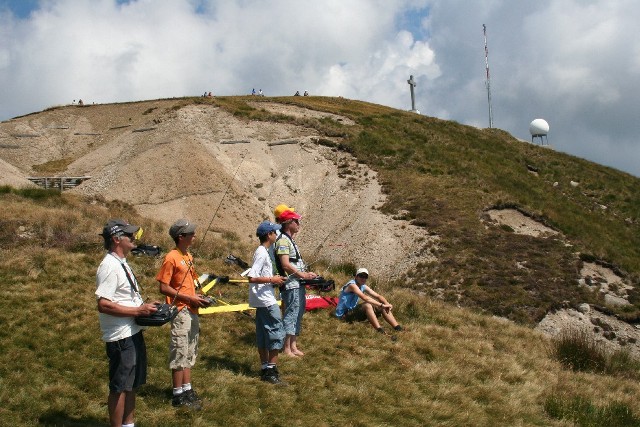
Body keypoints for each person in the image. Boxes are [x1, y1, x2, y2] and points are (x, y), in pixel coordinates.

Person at [96, 219, 159, 427]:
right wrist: (138, 311)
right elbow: (104, 304)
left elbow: (124, 297)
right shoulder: (109, 266)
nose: (134, 238)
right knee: (120, 387)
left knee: (132, 384)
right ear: (116, 239)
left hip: (132, 331)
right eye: (129, 235)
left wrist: (145, 307)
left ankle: (128, 424)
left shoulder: (121, 262)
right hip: (121, 337)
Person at [156, 219, 210, 409]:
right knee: (180, 350)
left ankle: (187, 389)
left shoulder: (188, 256)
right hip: (180, 310)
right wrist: (188, 298)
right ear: (181, 237)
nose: (194, 236)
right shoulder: (171, 257)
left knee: (189, 350)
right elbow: (163, 287)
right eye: (191, 233)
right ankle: (178, 395)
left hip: (192, 309)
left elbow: (189, 284)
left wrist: (197, 296)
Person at [247, 221, 286, 384]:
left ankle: (265, 368)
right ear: (269, 235)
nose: (276, 235)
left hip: (261, 300)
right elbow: (252, 277)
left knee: (263, 334)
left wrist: (273, 280)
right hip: (266, 300)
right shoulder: (262, 253)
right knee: (277, 332)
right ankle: (271, 370)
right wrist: (272, 279)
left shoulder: (262, 251)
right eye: (274, 232)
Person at [274, 209, 317, 356]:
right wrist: (302, 275)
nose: (299, 224)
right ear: (288, 223)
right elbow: (285, 265)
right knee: (291, 313)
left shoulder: (290, 240)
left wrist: (307, 275)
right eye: (296, 221)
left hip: (298, 283)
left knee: (298, 312)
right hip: (291, 284)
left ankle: (293, 345)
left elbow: (295, 262)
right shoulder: (283, 241)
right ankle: (286, 348)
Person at [335, 268, 403, 334]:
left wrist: (386, 304)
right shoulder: (352, 285)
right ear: (356, 276)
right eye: (361, 276)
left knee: (383, 307)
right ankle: (379, 331)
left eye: (365, 277)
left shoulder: (363, 286)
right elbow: (365, 298)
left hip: (352, 313)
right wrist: (382, 305)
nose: (363, 278)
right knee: (367, 305)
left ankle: (398, 328)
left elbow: (378, 296)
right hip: (343, 316)